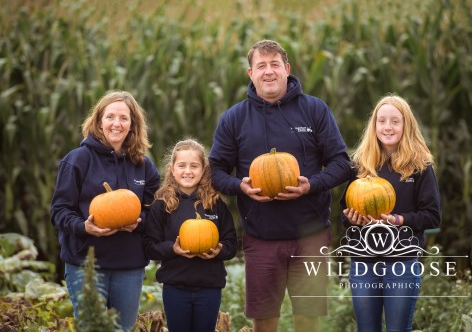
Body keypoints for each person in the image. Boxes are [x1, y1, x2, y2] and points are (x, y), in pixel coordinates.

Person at [209, 39, 351, 332]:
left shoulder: (314, 110)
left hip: (311, 236)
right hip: (261, 237)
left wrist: (311, 185)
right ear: (251, 73)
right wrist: (240, 186)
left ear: (287, 69)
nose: (269, 71)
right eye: (261, 65)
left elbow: (341, 164)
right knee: (264, 321)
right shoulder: (235, 118)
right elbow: (215, 171)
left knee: (308, 320)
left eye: (275, 64)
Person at [50, 91, 160, 331]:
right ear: (99, 120)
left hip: (129, 266)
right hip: (86, 265)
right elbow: (59, 211)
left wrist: (140, 221)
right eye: (110, 117)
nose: (116, 124)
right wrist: (83, 227)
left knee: (122, 329)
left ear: (132, 124)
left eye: (124, 118)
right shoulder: (77, 160)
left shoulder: (143, 165)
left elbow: (156, 212)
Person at [339, 95, 442, 332]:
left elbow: (432, 216)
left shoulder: (420, 166)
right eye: (382, 121)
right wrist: (353, 220)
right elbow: (344, 215)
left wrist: (399, 220)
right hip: (364, 262)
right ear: (374, 126)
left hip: (402, 262)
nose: (388, 127)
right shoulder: (361, 165)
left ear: (406, 125)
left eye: (395, 121)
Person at [143, 139, 238, 332]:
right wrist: (173, 249)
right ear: (172, 169)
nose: (188, 171)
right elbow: (149, 247)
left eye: (194, 166)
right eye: (182, 165)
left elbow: (231, 244)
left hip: (209, 287)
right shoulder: (162, 205)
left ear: (203, 169)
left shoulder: (215, 203)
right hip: (175, 287)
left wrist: (219, 251)